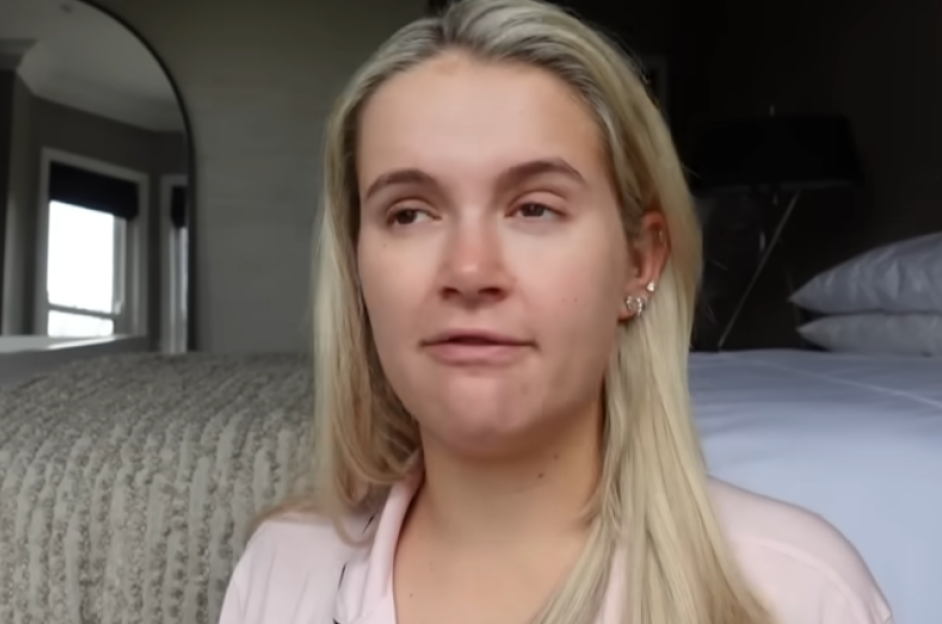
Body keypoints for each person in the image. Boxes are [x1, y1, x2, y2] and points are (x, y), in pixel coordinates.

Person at [218, 0, 894, 622]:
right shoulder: (282, 572)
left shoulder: (795, 591)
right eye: (411, 212)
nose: (470, 271)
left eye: (534, 208)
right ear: (358, 267)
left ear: (640, 262)